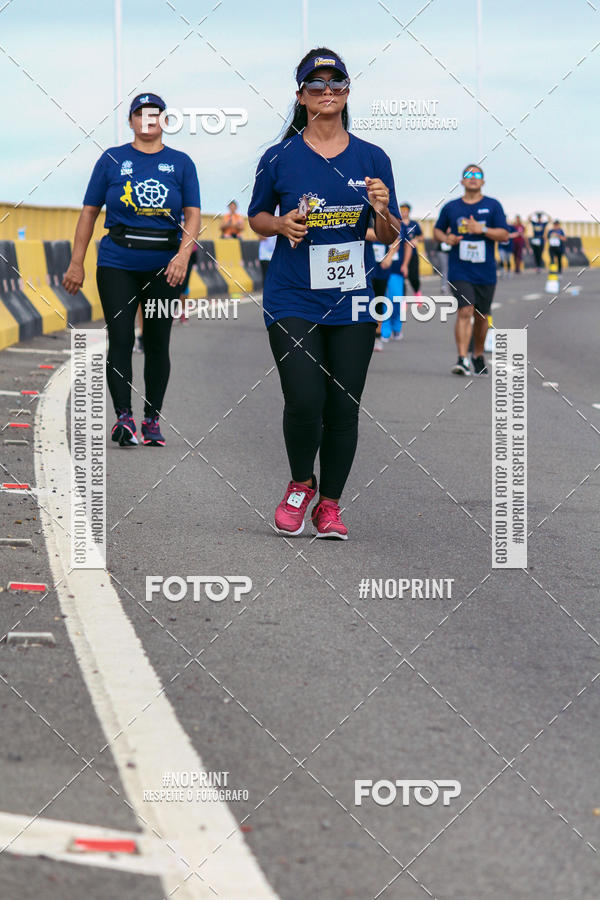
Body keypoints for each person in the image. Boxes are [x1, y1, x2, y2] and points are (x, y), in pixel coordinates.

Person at [248, 47, 401, 540]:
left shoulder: (373, 158)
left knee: (343, 405)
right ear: (301, 96)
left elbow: (387, 234)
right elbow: (256, 218)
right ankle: (299, 485)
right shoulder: (279, 158)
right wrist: (281, 223)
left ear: (348, 92)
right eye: (316, 86)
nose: (327, 93)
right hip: (293, 296)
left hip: (354, 298)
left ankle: (329, 505)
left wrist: (381, 208)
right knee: (304, 398)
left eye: (336, 85)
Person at [63, 92, 201, 446]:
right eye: (141, 115)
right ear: (130, 122)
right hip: (116, 262)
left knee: (157, 343)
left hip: (164, 266)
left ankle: (151, 420)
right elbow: (89, 212)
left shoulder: (182, 163)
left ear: (165, 121)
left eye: (155, 115)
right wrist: (76, 262)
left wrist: (183, 256)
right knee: (121, 338)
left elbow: (193, 215)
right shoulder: (112, 160)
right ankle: (124, 418)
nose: (148, 120)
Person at [433, 163, 508, 376]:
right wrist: (447, 237)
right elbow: (437, 231)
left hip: (485, 272)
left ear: (483, 181)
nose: (473, 177)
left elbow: (504, 234)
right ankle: (462, 359)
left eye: (477, 175)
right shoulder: (451, 208)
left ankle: (477, 355)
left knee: (482, 316)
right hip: (460, 270)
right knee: (465, 310)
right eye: (468, 174)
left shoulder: (493, 206)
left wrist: (481, 229)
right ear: (462, 181)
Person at [378, 226, 411, 341]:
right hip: (379, 268)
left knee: (396, 299)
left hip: (396, 269)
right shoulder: (371, 222)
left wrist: (405, 264)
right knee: (384, 301)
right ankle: (385, 331)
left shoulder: (402, 227)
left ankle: (396, 327)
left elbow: (408, 246)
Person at [399, 203, 423, 295]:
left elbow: (421, 236)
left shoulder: (414, 224)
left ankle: (417, 292)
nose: (404, 212)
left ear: (409, 211)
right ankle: (402, 299)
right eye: (402, 210)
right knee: (401, 278)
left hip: (412, 254)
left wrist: (416, 239)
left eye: (405, 210)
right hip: (401, 254)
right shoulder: (398, 223)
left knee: (414, 277)